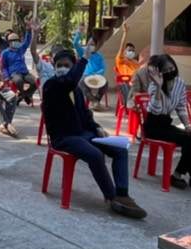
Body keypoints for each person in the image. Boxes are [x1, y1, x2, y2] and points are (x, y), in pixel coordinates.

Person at [42, 47, 146, 219]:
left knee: (120, 150)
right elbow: (68, 81)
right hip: (64, 138)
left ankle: (122, 194)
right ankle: (112, 197)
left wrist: (97, 127)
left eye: (66, 65)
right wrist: (84, 58)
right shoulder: (51, 86)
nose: (62, 68)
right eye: (59, 65)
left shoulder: (76, 90)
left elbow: (85, 115)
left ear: (73, 67)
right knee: (95, 155)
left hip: (84, 134)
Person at [132, 54, 191, 192]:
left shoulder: (179, 83)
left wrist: (187, 126)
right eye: (165, 70)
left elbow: (181, 107)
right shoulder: (154, 86)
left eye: (171, 68)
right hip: (153, 126)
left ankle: (179, 175)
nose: (170, 72)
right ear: (159, 72)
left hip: (166, 124)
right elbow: (156, 110)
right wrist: (159, 88)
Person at [0, 23, 37, 104]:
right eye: (14, 41)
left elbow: (27, 42)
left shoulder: (20, 49)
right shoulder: (5, 53)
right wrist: (7, 77)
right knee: (19, 81)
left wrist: (28, 31)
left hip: (25, 72)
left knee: (35, 82)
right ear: (9, 42)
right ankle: (25, 96)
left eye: (17, 40)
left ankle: (22, 96)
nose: (16, 42)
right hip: (14, 73)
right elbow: (3, 66)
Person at [114, 26, 141, 108]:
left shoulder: (136, 63)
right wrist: (125, 33)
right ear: (124, 52)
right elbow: (121, 47)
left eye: (133, 50)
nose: (131, 52)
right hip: (126, 83)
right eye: (129, 50)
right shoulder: (120, 60)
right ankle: (131, 104)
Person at [80, 38, 108, 107]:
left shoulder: (99, 56)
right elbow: (75, 44)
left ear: (96, 46)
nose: (91, 46)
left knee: (106, 83)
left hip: (97, 76)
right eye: (90, 44)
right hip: (86, 75)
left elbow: (103, 68)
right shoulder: (85, 54)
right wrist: (78, 34)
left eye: (93, 45)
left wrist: (97, 73)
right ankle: (93, 100)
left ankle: (97, 100)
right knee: (81, 82)